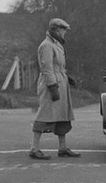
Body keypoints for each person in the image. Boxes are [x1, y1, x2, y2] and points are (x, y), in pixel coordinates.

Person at [29, 18, 80, 159]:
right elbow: (47, 69)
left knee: (62, 115)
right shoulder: (46, 46)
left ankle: (62, 148)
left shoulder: (56, 44)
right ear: (57, 30)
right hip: (51, 84)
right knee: (45, 114)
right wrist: (53, 87)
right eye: (64, 30)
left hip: (60, 83)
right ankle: (34, 148)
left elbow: (58, 66)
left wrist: (67, 78)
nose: (65, 33)